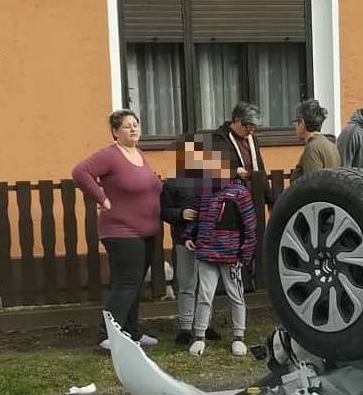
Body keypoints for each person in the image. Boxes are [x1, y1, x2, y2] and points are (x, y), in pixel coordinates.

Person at [71, 109, 163, 349]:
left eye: (135, 125)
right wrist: (101, 198)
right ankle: (108, 335)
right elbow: (80, 172)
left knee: (136, 283)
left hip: (146, 232)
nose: (133, 129)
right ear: (115, 132)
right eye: (126, 126)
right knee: (127, 283)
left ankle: (132, 332)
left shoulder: (139, 153)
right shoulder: (110, 155)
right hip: (121, 231)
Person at [182, 136, 259, 357]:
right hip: (206, 252)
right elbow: (196, 215)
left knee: (236, 294)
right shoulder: (205, 191)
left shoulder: (239, 193)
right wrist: (189, 235)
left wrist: (245, 255)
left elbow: (250, 226)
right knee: (204, 295)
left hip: (231, 255)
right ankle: (199, 336)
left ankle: (238, 336)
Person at [160, 136, 223, 345]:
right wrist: (180, 213)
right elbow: (164, 211)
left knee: (207, 284)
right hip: (182, 239)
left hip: (207, 239)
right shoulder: (172, 183)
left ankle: (204, 324)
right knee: (187, 283)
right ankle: (186, 326)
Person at [289, 98, 340, 183]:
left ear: (302, 123)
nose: (295, 126)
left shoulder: (312, 148)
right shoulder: (331, 145)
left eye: (296, 122)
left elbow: (312, 186)